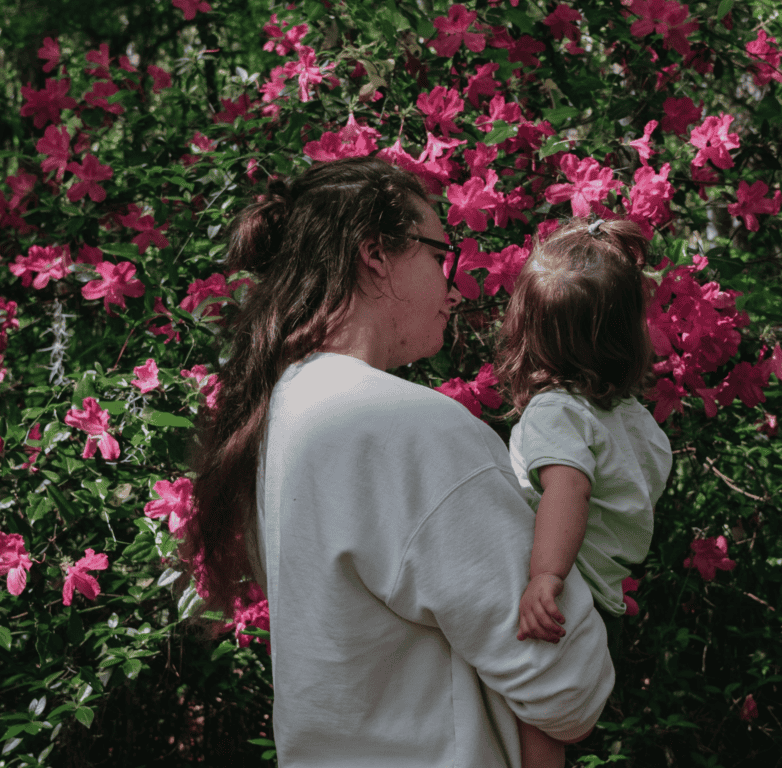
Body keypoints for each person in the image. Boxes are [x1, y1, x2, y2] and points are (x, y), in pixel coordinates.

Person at [179, 157, 614, 768]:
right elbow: (566, 688)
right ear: (375, 254)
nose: (452, 282)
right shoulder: (407, 429)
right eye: (440, 255)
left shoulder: (277, 418)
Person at [491, 217, 674, 768]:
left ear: (529, 332)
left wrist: (546, 577)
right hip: (603, 601)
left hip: (565, 594)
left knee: (538, 722)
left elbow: (568, 490)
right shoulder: (635, 420)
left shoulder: (557, 411)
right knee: (548, 721)